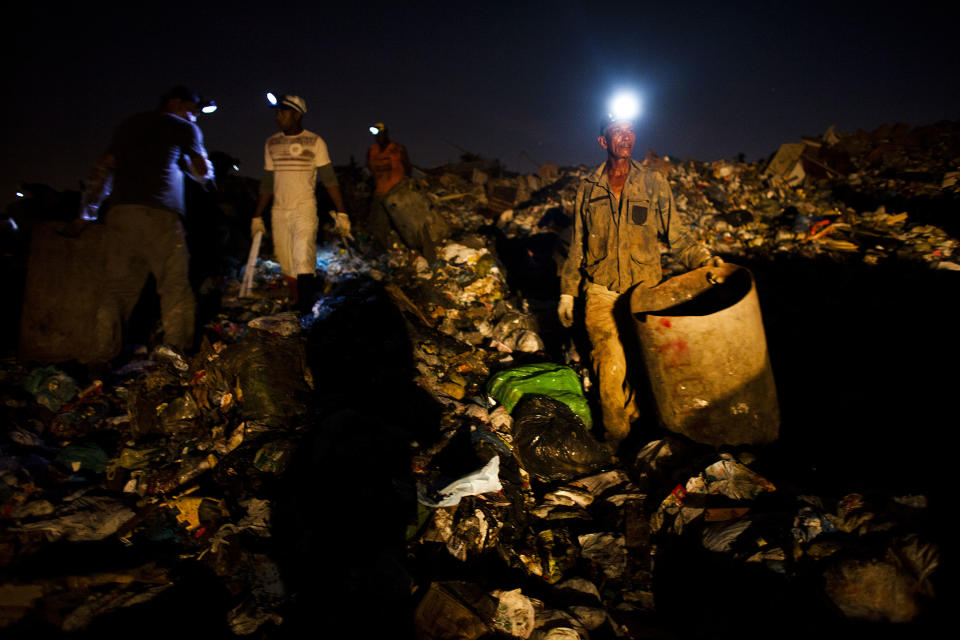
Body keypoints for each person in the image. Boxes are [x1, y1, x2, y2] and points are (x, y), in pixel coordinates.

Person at [557, 116, 721, 444]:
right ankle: (615, 438)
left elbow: (676, 233)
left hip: (643, 292)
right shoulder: (588, 187)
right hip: (601, 290)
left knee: (641, 365)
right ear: (603, 141)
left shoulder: (653, 182)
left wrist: (704, 259)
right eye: (617, 132)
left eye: (630, 130)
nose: (626, 137)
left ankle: (639, 421)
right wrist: (567, 292)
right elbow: (578, 243)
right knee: (609, 361)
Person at [81, 85, 215, 358]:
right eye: (193, 109)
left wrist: (88, 212)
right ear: (176, 102)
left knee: (116, 288)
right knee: (175, 285)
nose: (195, 116)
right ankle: (177, 354)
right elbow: (201, 171)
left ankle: (101, 355)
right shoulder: (184, 127)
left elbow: (104, 167)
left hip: (121, 214)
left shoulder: (129, 124)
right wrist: (206, 174)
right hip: (160, 216)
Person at [250, 94, 350, 314]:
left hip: (304, 207)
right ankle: (299, 302)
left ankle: (305, 309)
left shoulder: (315, 142)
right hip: (279, 209)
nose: (278, 117)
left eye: (283, 113)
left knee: (303, 257)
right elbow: (267, 182)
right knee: (286, 261)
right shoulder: (272, 143)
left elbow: (329, 179)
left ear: (297, 114)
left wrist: (342, 212)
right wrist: (257, 216)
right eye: (277, 113)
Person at [365, 122, 444, 260]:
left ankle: (424, 251)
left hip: (400, 193)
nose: (379, 137)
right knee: (378, 225)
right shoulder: (372, 151)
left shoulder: (397, 148)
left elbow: (407, 167)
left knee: (413, 223)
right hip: (381, 193)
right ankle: (383, 256)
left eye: (380, 133)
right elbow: (371, 170)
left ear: (386, 133)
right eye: (375, 134)